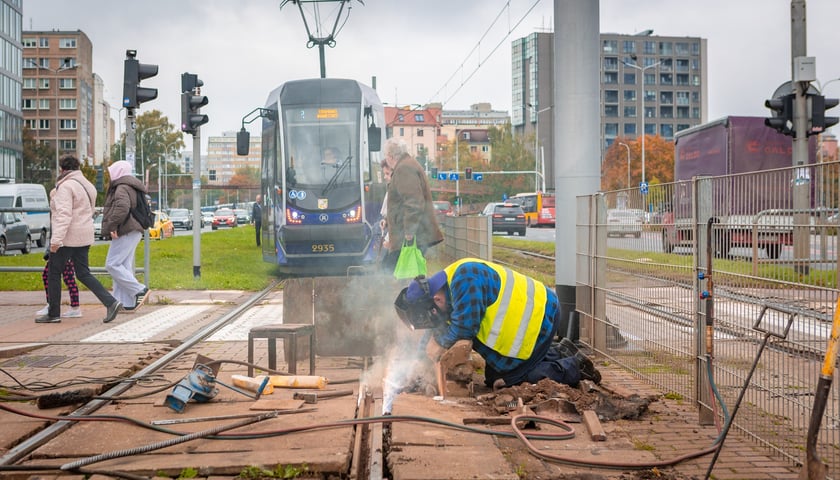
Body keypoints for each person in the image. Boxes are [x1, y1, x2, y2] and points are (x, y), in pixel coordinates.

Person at [394, 258, 601, 389]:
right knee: (492, 377)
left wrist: (438, 345)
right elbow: (433, 334)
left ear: (435, 302)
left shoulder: (464, 279)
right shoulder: (443, 290)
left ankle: (574, 366)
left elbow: (463, 329)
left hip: (540, 318)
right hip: (534, 320)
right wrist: (415, 366)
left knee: (507, 383)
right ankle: (560, 351)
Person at [36, 155, 122, 324]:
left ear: (62, 169)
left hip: (68, 237)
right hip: (84, 235)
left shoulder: (66, 187)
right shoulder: (87, 185)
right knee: (83, 273)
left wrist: (55, 241)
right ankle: (111, 302)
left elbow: (64, 214)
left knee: (54, 272)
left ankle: (54, 313)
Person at [381, 138, 443, 273]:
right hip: (412, 233)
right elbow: (402, 203)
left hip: (411, 235)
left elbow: (413, 203)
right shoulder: (408, 164)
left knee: (392, 273)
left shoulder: (404, 168)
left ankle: (399, 294)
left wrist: (409, 232)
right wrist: (388, 221)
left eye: (386, 156)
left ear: (390, 156)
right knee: (402, 273)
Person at [102, 160, 151, 314]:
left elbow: (122, 207)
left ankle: (139, 290)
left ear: (118, 172)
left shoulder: (122, 187)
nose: (110, 176)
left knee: (112, 264)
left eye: (112, 172)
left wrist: (112, 225)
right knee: (124, 266)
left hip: (126, 229)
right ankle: (125, 303)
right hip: (134, 229)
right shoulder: (132, 185)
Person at [36, 254, 81, 318]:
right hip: (60, 253)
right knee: (67, 279)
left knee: (68, 279)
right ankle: (75, 307)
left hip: (62, 252)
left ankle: (75, 308)